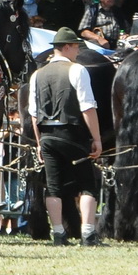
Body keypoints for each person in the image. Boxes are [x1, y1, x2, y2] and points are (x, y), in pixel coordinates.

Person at [26, 27, 105, 246]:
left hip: (47, 136)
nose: (78, 51)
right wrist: (97, 139)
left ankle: (59, 234)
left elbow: (34, 114)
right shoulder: (77, 70)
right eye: (76, 47)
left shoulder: (37, 75)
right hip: (72, 133)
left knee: (53, 187)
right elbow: (87, 107)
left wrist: (39, 142)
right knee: (87, 184)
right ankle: (88, 233)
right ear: (67, 47)